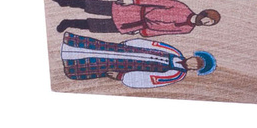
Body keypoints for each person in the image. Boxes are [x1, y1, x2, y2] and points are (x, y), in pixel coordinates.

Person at [60, 32, 216, 89]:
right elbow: (152, 44)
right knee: (100, 47)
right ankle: (70, 45)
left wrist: (122, 77)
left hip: (126, 67)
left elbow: (150, 80)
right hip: (126, 50)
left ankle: (70, 66)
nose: (192, 63)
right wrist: (131, 43)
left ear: (194, 70)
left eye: (195, 66)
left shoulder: (176, 75)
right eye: (195, 60)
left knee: (98, 64)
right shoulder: (175, 52)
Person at [51, 0, 219, 37]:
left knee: (97, 26)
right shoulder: (182, 8)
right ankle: (65, 2)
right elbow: (157, 1)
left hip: (136, 25)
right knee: (96, 6)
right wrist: (133, 0)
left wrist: (143, 32)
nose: (206, 23)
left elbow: (164, 32)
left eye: (209, 24)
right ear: (204, 13)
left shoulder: (187, 29)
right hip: (134, 10)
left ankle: (69, 23)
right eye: (208, 20)